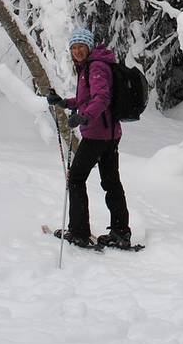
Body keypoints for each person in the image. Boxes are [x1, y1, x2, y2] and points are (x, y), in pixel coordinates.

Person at [46, 26, 131, 248]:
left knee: (75, 178)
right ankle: (121, 233)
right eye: (73, 47)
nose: (77, 51)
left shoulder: (96, 67)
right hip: (109, 133)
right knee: (111, 182)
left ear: (89, 46)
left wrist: (84, 117)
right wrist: (64, 102)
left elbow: (101, 98)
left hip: (97, 134)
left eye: (81, 46)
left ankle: (79, 232)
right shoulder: (93, 66)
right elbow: (87, 99)